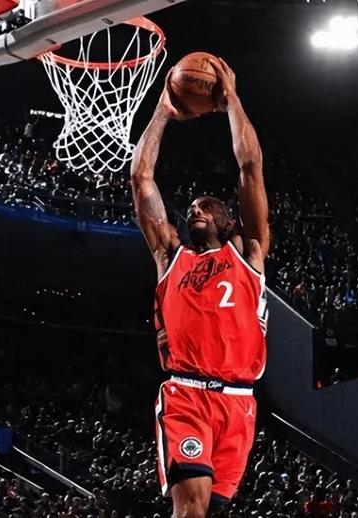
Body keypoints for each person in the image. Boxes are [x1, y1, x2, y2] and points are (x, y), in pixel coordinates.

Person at [130, 57, 269, 517]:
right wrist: (162, 113)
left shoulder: (249, 253)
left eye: (206, 206)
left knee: (212, 510)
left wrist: (231, 101)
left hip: (240, 402)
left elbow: (250, 166)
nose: (194, 210)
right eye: (190, 207)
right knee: (191, 507)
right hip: (187, 394)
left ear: (228, 220)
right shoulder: (171, 257)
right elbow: (141, 179)